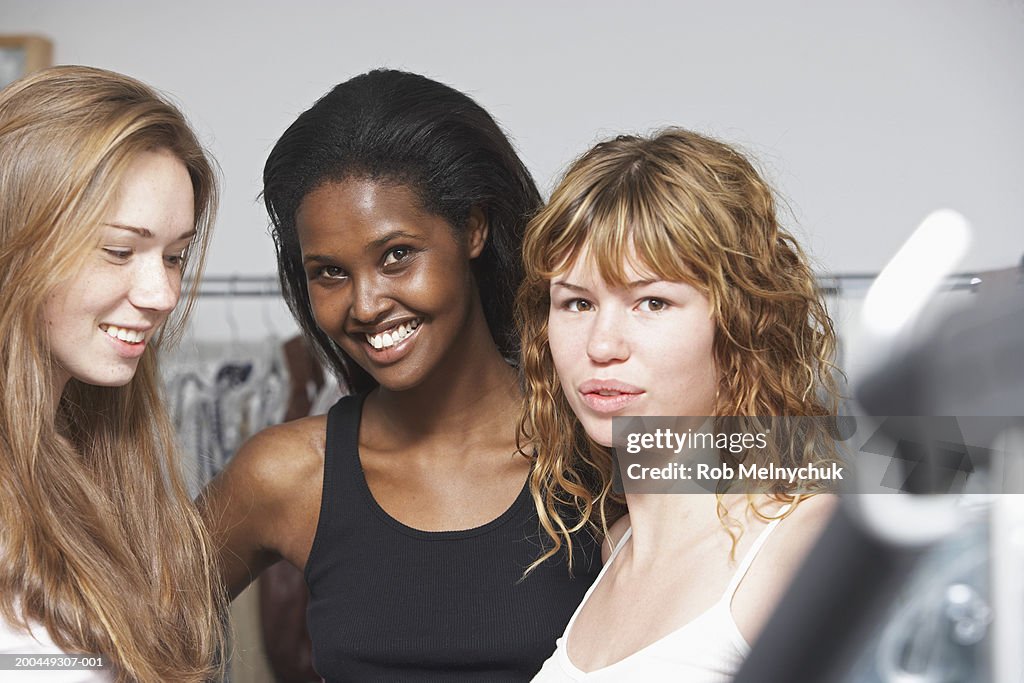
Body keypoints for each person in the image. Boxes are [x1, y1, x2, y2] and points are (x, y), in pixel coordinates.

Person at [199, 68, 600, 681]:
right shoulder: (287, 475)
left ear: (473, 228)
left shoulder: (599, 440)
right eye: (329, 272)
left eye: (396, 256)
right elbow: (94, 638)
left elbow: (798, 462)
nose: (364, 305)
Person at [518, 129, 841, 681]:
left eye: (652, 301)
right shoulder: (615, 549)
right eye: (576, 302)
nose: (601, 345)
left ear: (738, 321)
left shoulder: (799, 546)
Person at [0, 66, 225, 682]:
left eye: (175, 256)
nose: (161, 293)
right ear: (16, 241)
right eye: (118, 251)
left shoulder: (108, 477)